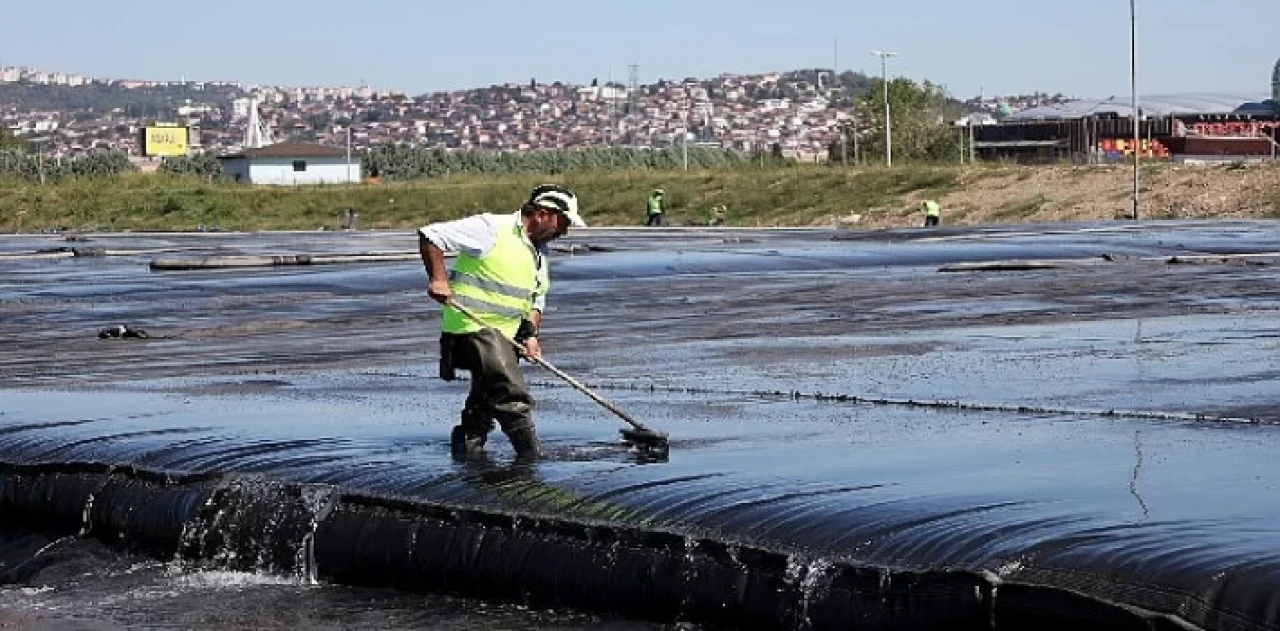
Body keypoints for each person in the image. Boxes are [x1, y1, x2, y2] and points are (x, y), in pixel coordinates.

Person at [418, 184, 587, 459]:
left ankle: (467, 448)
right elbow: (431, 235)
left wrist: (530, 334)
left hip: (507, 334)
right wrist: (438, 279)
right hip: (472, 326)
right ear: (542, 214)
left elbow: (536, 299)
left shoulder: (539, 253)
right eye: (563, 222)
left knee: (485, 397)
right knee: (509, 391)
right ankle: (531, 456)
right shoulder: (492, 229)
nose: (564, 230)